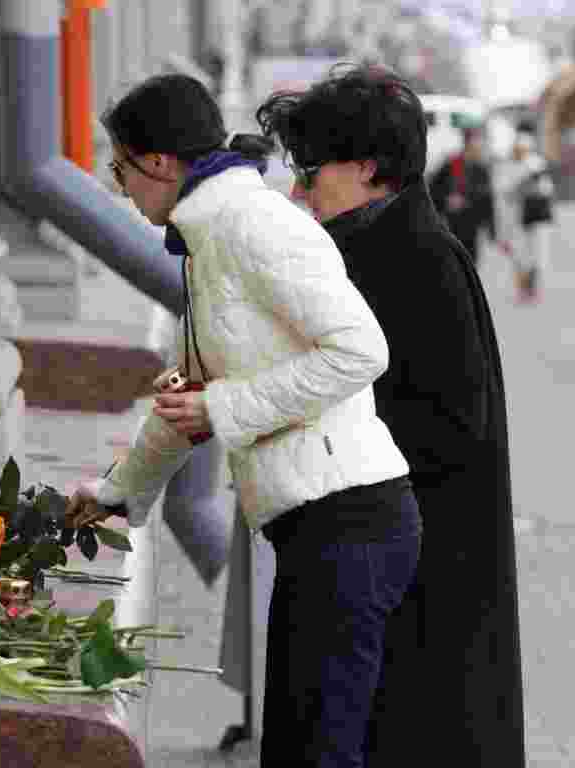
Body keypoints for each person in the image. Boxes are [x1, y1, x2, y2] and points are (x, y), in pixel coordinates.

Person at [64, 73, 421, 768]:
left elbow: (360, 350)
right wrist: (117, 492)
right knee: (292, 748)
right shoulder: (206, 236)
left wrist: (222, 408)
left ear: (159, 163)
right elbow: (184, 400)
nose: (121, 188)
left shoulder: (253, 225)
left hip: (353, 524)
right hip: (314, 528)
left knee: (321, 753)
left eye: (120, 169)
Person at [257, 64, 525, 767]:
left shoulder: (415, 264)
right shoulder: (375, 247)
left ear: (370, 169)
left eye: (311, 173)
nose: (298, 192)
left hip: (410, 583)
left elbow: (444, 431)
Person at [495, 131, 556, 303]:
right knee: (520, 256)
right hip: (517, 219)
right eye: (517, 149)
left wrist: (529, 187)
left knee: (537, 256)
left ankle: (533, 290)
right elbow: (504, 193)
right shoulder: (507, 167)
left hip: (536, 218)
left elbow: (546, 190)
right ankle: (522, 290)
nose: (520, 152)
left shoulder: (537, 165)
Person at [428, 120, 497, 268]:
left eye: (480, 141)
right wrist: (447, 200)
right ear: (468, 143)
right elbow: (433, 189)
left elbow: (487, 197)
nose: (479, 145)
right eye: (476, 141)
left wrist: (491, 227)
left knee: (471, 261)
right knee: (456, 260)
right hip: (454, 221)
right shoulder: (453, 163)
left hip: (472, 221)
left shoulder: (481, 167)